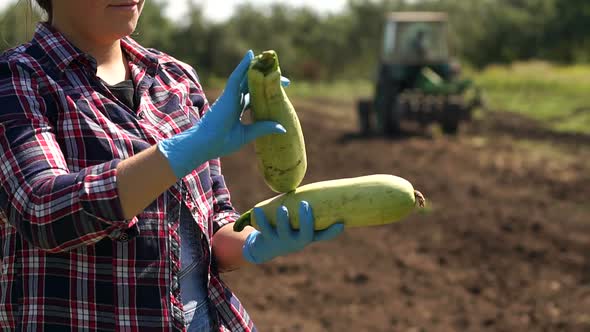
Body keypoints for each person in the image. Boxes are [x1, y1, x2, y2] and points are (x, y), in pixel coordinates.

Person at [0, 1, 344, 331]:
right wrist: (184, 149)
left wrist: (258, 241)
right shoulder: (18, 79)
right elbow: (41, 209)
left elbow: (214, 225)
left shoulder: (174, 78)